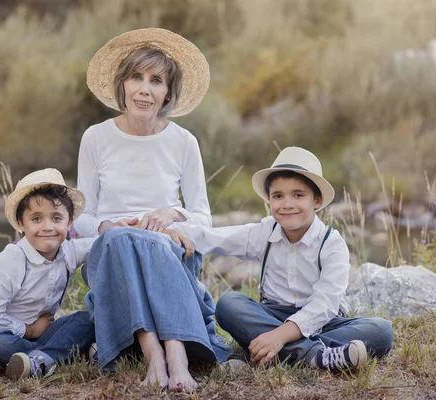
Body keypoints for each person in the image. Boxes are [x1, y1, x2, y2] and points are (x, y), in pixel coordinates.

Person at [75, 28, 231, 391]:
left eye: (156, 81)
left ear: (167, 93)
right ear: (123, 85)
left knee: (156, 243)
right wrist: (108, 227)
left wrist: (171, 215)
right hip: (111, 254)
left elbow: (203, 217)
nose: (145, 89)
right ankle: (157, 354)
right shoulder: (95, 138)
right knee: (121, 241)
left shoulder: (183, 142)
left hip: (169, 247)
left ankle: (173, 354)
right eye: (136, 77)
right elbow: (81, 216)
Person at [174, 147, 394, 371]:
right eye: (278, 196)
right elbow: (214, 238)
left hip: (322, 322)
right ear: (269, 200)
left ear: (316, 200)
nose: (287, 204)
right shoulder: (264, 233)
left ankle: (284, 352)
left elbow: (325, 305)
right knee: (229, 304)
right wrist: (170, 229)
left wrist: (279, 336)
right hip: (272, 315)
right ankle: (317, 356)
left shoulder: (331, 243)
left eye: (298, 195)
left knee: (381, 331)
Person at [0, 168, 96, 381]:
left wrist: (141, 230)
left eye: (57, 218)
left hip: (42, 332)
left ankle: (38, 359)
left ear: (69, 223)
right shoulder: (12, 259)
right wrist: (30, 330)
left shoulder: (69, 252)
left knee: (86, 320)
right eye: (36, 219)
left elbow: (102, 243)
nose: (48, 227)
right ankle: (57, 353)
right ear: (21, 224)